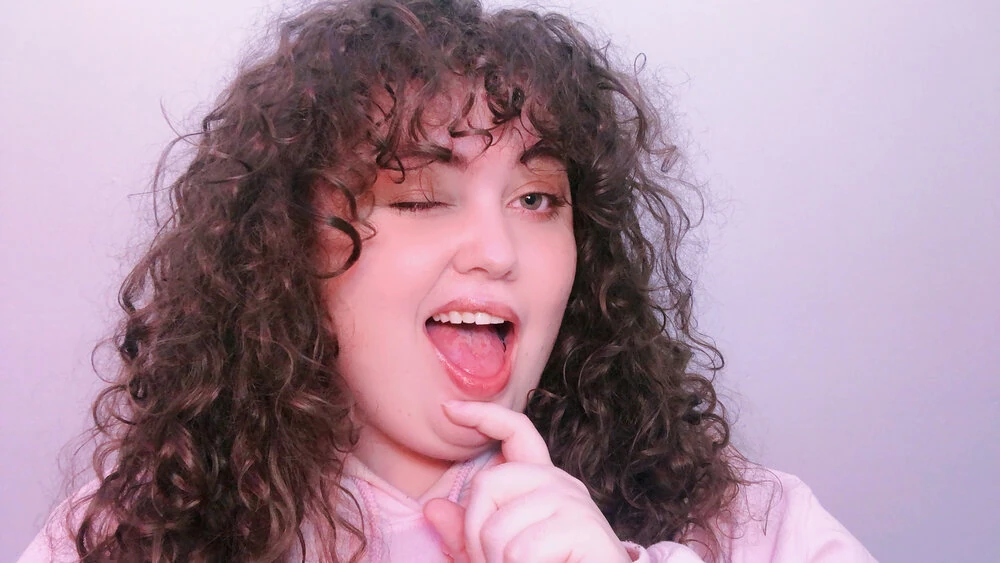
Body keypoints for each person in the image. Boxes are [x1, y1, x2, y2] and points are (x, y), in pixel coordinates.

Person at [19, 0, 876, 561]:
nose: (496, 251)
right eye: (422, 197)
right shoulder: (129, 534)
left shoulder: (749, 527)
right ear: (290, 245)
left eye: (537, 199)